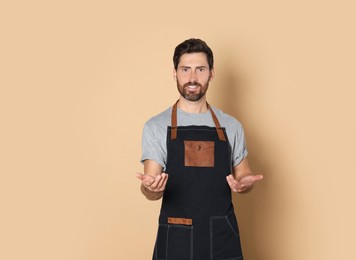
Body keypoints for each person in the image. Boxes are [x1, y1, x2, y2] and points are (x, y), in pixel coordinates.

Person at [136, 38, 263, 260]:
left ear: (211, 73)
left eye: (200, 69)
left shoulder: (231, 126)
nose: (192, 78)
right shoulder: (156, 126)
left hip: (222, 238)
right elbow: (151, 186)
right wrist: (152, 189)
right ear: (175, 73)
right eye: (185, 69)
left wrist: (244, 184)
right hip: (175, 240)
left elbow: (243, 174)